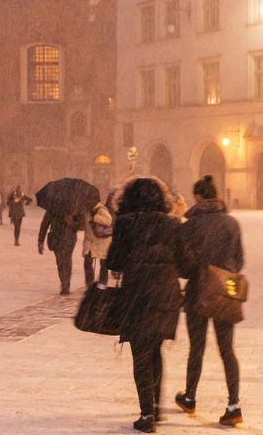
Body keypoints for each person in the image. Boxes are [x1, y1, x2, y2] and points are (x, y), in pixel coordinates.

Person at [105, 177, 187, 433]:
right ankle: (156, 407)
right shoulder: (173, 224)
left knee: (141, 354)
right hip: (165, 295)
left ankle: (146, 413)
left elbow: (114, 263)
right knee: (155, 350)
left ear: (129, 198)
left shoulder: (126, 223)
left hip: (137, 294)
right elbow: (184, 265)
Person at [174, 175, 245, 427]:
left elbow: (182, 266)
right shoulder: (232, 223)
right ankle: (233, 405)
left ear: (198, 197)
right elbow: (239, 260)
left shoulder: (189, 226)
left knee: (197, 347)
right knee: (227, 349)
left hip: (198, 292)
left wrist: (200, 272)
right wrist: (222, 271)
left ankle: (190, 397)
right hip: (225, 290)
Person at [38, 204, 79, 296]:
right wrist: (40, 241)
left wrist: (71, 221)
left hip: (70, 238)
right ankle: (64, 282)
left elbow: (81, 225)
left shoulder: (75, 208)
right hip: (56, 238)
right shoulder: (52, 207)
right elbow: (45, 224)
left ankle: (66, 284)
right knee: (60, 261)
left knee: (67, 260)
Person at [82, 190, 114, 288]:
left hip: (102, 241)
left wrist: (95, 218)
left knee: (103, 264)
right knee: (87, 263)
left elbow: (109, 220)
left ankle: (102, 286)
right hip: (90, 241)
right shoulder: (85, 210)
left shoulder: (100, 209)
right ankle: (90, 285)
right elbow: (83, 225)